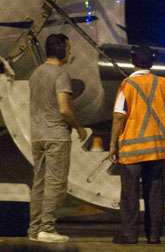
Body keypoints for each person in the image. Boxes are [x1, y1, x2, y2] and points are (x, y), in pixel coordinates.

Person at [109, 45, 165, 245]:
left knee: (130, 195)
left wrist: (113, 145)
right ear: (152, 63)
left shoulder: (127, 85)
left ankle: (129, 235)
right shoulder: (162, 83)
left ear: (133, 62)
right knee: (155, 194)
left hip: (132, 150)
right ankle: (154, 236)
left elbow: (119, 116)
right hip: (156, 148)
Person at [28, 34, 87, 243]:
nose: (70, 52)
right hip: (56, 136)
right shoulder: (61, 74)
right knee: (56, 184)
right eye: (69, 48)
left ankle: (34, 229)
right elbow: (64, 108)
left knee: (39, 183)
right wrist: (78, 128)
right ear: (61, 49)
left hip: (37, 136)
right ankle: (47, 227)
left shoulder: (35, 74)